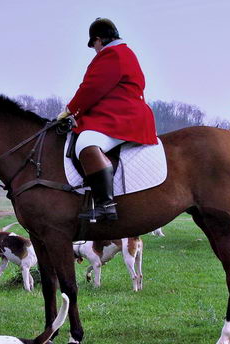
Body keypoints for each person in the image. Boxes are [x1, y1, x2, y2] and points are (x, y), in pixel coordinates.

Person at [57, 17, 157, 221]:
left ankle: (106, 205)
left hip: (124, 116)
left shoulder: (112, 54)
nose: (94, 49)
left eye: (93, 45)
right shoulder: (124, 52)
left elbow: (92, 88)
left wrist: (70, 110)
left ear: (98, 39)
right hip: (120, 113)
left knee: (86, 143)